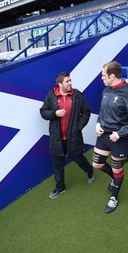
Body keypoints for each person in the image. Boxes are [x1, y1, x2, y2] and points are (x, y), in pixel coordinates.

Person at [92, 61, 128, 213]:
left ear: (112, 76)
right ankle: (114, 180)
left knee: (117, 169)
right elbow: (102, 112)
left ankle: (114, 197)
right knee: (97, 164)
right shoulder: (106, 91)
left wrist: (119, 133)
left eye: (103, 75)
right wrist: (98, 124)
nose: (101, 78)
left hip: (119, 138)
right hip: (104, 135)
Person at [40, 71, 95, 200]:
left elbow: (86, 112)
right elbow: (43, 112)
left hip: (73, 137)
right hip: (57, 139)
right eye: (67, 81)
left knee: (79, 159)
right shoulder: (51, 96)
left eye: (70, 80)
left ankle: (90, 171)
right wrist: (54, 113)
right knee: (58, 165)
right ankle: (60, 187)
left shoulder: (77, 95)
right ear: (60, 84)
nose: (70, 83)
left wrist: (78, 127)